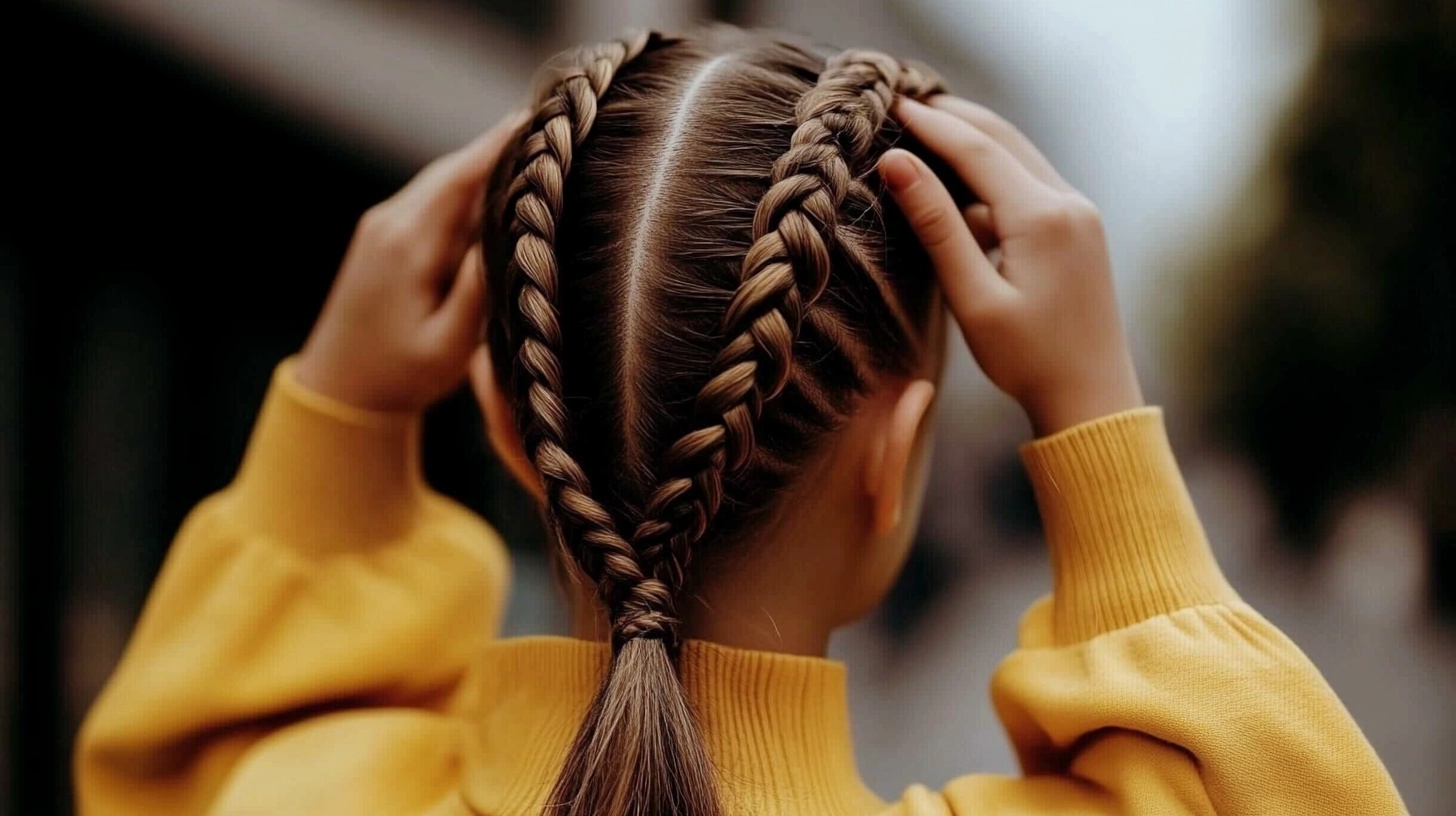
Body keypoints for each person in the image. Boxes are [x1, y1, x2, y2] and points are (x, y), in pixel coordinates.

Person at [73, 28, 1406, 816]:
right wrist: (1098, 419)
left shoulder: (306, 793)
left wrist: (342, 420)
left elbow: (178, 759)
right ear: (892, 464)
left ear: (498, 416)